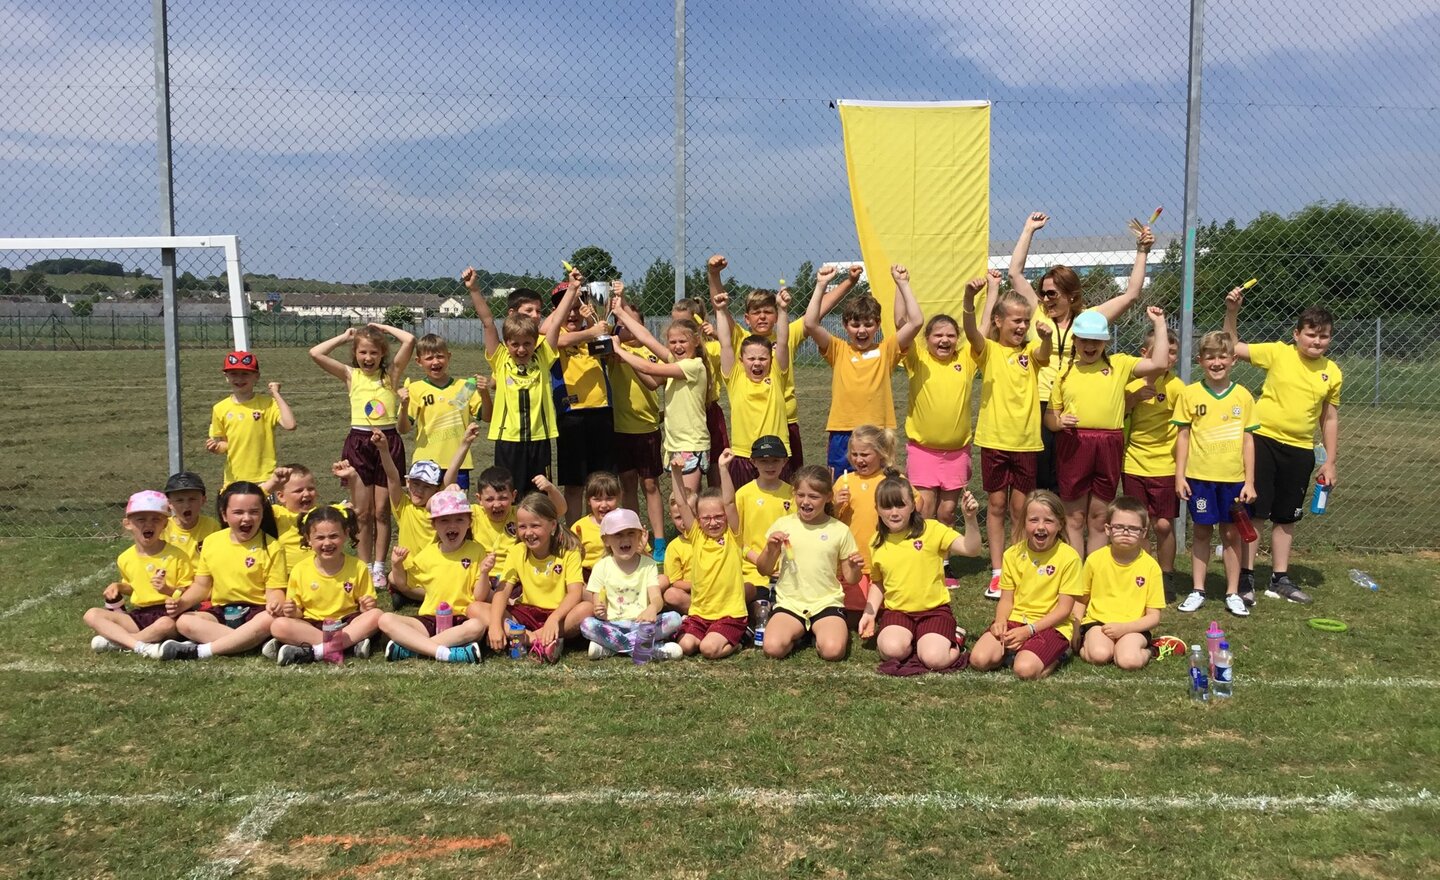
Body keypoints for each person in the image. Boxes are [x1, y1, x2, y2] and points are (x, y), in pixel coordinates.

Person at [1008, 211, 1155, 491]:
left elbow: (1131, 293)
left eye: (1052, 293)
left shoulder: (1089, 319)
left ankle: (1065, 529)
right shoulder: (1037, 312)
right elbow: (1015, 273)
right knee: (1038, 477)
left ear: (1070, 295)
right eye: (1043, 292)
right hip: (1036, 401)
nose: (1045, 298)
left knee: (1066, 479)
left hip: (1074, 403)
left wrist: (1142, 251)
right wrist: (1028, 230)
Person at [1225, 290, 1341, 605]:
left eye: (1324, 337)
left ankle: (1280, 578)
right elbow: (1232, 346)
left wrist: (1329, 461)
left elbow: (1328, 418)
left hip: (1301, 449)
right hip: (1263, 441)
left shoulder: (1333, 372)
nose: (1317, 342)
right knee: (1256, 511)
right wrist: (1232, 312)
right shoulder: (1278, 353)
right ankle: (1246, 577)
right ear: (1296, 334)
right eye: (1311, 335)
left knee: (1286, 517)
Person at [713, 257, 858, 474]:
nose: (762, 316)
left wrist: (849, 282)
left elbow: (815, 313)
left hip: (784, 423)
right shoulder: (741, 340)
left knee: (790, 483)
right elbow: (720, 309)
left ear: (775, 315)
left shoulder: (786, 335)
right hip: (749, 430)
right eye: (756, 312)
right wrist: (714, 275)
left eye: (768, 311)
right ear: (746, 318)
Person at [1045, 306, 1170, 557]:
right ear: (1075, 341)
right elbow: (1050, 416)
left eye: (1096, 341)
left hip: (1108, 444)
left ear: (1106, 342)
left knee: (1099, 516)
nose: (1090, 346)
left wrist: (1160, 324)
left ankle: (1093, 574)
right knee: (1074, 516)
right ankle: (1074, 576)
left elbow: (1159, 362)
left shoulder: (1119, 364)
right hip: (1074, 442)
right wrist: (1058, 423)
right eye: (1084, 340)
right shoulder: (1065, 373)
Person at [308, 323, 416, 588]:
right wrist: (344, 336)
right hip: (359, 443)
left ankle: (380, 566)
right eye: (363, 352)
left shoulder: (391, 374)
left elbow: (410, 339)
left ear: (382, 355)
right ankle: (364, 566)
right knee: (363, 513)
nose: (368, 358)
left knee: (382, 511)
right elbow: (316, 353)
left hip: (388, 442)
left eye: (374, 353)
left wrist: (382, 328)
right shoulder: (350, 375)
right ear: (355, 354)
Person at [964, 276, 1053, 599]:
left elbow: (1044, 352)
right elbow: (972, 330)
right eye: (1017, 320)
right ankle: (998, 571)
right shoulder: (987, 351)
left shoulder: (1031, 350)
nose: (1022, 326)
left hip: (1027, 443)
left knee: (1020, 509)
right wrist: (968, 297)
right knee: (997, 505)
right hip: (995, 442)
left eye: (1026, 321)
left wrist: (1045, 337)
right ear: (999, 321)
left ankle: (1017, 568)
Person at [463, 266, 580, 497]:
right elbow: (488, 322)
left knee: (538, 497)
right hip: (508, 440)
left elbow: (555, 323)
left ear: (535, 342)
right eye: (515, 344)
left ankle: (540, 532)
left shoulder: (543, 356)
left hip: (540, 438)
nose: (521, 349)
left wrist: (573, 288)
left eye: (527, 343)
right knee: (507, 495)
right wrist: (474, 289)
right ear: (506, 344)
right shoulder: (500, 359)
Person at [1174, 330, 1259, 617]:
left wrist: (1249, 481)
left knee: (1230, 534)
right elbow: (1183, 437)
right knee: (1200, 531)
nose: (1217, 362)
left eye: (1222, 356)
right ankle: (1197, 589)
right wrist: (1180, 475)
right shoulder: (1190, 394)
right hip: (1200, 479)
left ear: (1234, 359)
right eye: (1210, 357)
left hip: (1233, 481)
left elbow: (1249, 440)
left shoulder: (1244, 397)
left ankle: (1232, 592)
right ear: (1200, 360)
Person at [804, 264, 919, 476]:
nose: (862, 330)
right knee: (840, 489)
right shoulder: (838, 349)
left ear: (877, 324)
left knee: (881, 488)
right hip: (843, 432)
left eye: (868, 324)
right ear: (845, 325)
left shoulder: (887, 350)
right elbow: (810, 323)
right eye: (856, 325)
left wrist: (902, 284)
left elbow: (916, 322)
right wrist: (821, 285)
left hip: (877, 432)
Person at [859, 478, 982, 671]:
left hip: (934, 611)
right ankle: (918, 638)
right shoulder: (876, 542)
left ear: (913, 505)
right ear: (877, 508)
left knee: (935, 659)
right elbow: (878, 582)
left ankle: (954, 637)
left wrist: (970, 518)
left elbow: (972, 549)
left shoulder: (932, 529)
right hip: (898, 612)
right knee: (891, 651)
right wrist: (870, 612)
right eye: (887, 506)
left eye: (900, 505)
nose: (894, 512)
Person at [160, 481, 287, 660]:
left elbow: (275, 591)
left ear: (262, 514)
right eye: (238, 512)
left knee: (270, 620)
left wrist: (275, 604)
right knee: (184, 621)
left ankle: (201, 650)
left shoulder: (272, 546)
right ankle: (249, 642)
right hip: (221, 612)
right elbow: (201, 586)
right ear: (224, 515)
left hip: (256, 613)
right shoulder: (212, 542)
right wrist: (181, 603)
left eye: (254, 512)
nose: (247, 518)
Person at [897, 267, 982, 526]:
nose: (944, 340)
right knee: (924, 508)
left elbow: (984, 328)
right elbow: (901, 324)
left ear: (958, 339)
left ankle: (943, 563)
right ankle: (924, 559)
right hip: (923, 450)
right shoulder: (917, 358)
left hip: (957, 453)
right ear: (926, 339)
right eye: (938, 335)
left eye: (951, 335)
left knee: (946, 513)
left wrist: (992, 292)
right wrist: (901, 285)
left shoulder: (966, 359)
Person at [968, 490, 1084, 680]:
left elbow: (1064, 610)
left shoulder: (1069, 557)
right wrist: (1000, 621)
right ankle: (1019, 651)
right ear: (1024, 522)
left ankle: (1058, 655)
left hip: (1052, 626)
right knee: (979, 660)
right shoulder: (1012, 554)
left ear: (1060, 524)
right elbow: (1006, 600)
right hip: (1016, 620)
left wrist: (1028, 630)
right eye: (1033, 520)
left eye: (1048, 521)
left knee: (1024, 670)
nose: (1040, 527)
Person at [611, 292, 712, 502]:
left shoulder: (693, 366)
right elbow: (645, 337)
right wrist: (621, 310)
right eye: (672, 342)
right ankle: (686, 534)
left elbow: (649, 367)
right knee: (679, 501)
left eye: (683, 341)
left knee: (686, 501)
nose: (677, 346)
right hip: (675, 444)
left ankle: (694, 534)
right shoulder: (674, 359)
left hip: (691, 444)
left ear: (696, 341)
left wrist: (619, 351)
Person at [754, 466, 861, 662]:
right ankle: (800, 634)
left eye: (813, 496)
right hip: (790, 603)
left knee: (833, 651)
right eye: (800, 495)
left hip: (826, 603)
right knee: (772, 648)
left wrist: (854, 567)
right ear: (794, 494)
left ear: (829, 497)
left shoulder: (840, 530)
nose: (805, 502)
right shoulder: (783, 524)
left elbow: (852, 579)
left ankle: (817, 634)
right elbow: (763, 569)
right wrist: (771, 549)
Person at [378, 489, 490, 663]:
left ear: (469, 522)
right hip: (429, 619)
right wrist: (396, 565)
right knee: (385, 619)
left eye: (459, 519)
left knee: (477, 626)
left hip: (460, 619)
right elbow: (404, 584)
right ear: (434, 525)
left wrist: (484, 573)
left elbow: (480, 597)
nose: (452, 526)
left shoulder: (477, 551)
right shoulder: (427, 555)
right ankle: (447, 653)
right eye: (444, 520)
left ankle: (413, 649)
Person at [84, 490, 191, 658]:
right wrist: (119, 586)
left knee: (164, 625)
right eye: (141, 519)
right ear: (127, 523)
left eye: (156, 519)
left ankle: (121, 643)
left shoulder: (178, 556)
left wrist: (168, 590)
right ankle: (140, 644)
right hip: (139, 615)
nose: (148, 524)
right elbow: (134, 587)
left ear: (165, 524)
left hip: (169, 614)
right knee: (91, 614)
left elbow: (188, 592)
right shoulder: (125, 558)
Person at [271, 506, 383, 665]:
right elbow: (297, 611)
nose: (327, 543)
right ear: (308, 538)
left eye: (334, 536)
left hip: (346, 623)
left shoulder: (358, 567)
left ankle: (315, 651)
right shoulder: (300, 570)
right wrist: (291, 611)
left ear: (346, 534)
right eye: (320, 538)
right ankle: (348, 646)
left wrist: (367, 607)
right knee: (278, 625)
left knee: (377, 615)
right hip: (313, 625)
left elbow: (367, 606)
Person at [712, 271, 792, 486]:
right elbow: (726, 343)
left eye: (762, 359)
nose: (757, 363)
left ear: (771, 360)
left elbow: (783, 343)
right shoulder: (735, 378)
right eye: (752, 358)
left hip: (777, 452)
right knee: (744, 507)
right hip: (744, 454)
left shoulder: (776, 375)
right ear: (741, 360)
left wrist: (783, 310)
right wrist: (720, 311)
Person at [488, 491, 587, 663]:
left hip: (559, 615)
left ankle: (528, 639)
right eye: (522, 526)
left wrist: (554, 619)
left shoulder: (569, 553)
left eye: (535, 526)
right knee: (476, 608)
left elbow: (575, 593)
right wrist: (495, 625)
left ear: (553, 526)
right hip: (525, 613)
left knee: (586, 609)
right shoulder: (516, 551)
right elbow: (502, 591)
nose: (528, 533)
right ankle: (541, 640)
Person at [1122, 323, 1185, 592]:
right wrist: (1134, 399)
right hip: (1133, 462)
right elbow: (1119, 414)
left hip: (1165, 466)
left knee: (1162, 524)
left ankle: (1166, 574)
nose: (1167, 357)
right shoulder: (1132, 383)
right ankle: (1145, 576)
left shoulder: (1178, 387)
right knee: (1141, 522)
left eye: (1172, 352)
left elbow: (1185, 430)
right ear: (1145, 353)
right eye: (1162, 351)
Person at [604, 289, 667, 551]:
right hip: (619, 428)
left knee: (650, 484)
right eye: (620, 323)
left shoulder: (653, 353)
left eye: (630, 322)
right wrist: (611, 299)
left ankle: (660, 539)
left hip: (647, 427)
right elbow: (603, 326)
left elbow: (654, 383)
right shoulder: (612, 351)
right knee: (627, 484)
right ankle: (634, 535)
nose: (624, 327)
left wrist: (628, 358)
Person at [550, 279, 618, 517]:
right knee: (575, 483)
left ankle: (608, 531)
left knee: (604, 481)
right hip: (571, 414)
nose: (571, 313)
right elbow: (555, 337)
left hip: (601, 411)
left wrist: (591, 318)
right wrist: (589, 329)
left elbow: (608, 342)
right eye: (565, 308)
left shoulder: (593, 329)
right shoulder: (551, 336)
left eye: (576, 307)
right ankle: (574, 535)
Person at [670, 450, 747, 659]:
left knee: (708, 649)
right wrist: (676, 474)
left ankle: (738, 640)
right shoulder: (697, 535)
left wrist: (723, 468)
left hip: (729, 613)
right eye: (706, 518)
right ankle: (710, 634)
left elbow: (730, 502)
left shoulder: (733, 535)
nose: (713, 522)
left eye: (718, 516)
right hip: (700, 613)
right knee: (684, 646)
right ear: (699, 519)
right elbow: (682, 504)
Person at [1073, 497, 1165, 670]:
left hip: (1134, 626)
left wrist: (1124, 628)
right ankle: (1093, 645)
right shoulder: (1094, 559)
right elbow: (1080, 599)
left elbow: (1154, 616)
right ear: (1108, 529)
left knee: (1128, 661)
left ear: (1143, 533)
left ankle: (1153, 650)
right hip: (1098, 622)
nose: (1125, 532)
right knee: (1099, 655)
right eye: (1119, 527)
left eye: (1133, 529)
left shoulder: (1151, 567)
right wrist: (1076, 627)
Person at [580, 508, 683, 660]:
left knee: (675, 618)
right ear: (606, 539)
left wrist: (653, 608)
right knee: (587, 624)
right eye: (618, 535)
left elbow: (656, 597)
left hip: (643, 624)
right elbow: (598, 602)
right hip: (613, 625)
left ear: (640, 536)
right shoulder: (601, 567)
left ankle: (611, 648)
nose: (625, 539)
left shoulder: (648, 565)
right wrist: (599, 610)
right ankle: (650, 650)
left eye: (631, 533)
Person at [397, 333, 491, 491]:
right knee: (427, 511)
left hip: (459, 462)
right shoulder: (415, 389)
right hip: (425, 463)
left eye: (440, 356)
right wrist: (404, 406)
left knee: (455, 509)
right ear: (419, 361)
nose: (435, 362)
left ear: (449, 357)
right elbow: (403, 429)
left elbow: (487, 417)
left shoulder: (464, 388)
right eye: (429, 358)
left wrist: (485, 394)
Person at [833, 426, 903, 622]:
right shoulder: (843, 481)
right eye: (854, 454)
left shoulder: (891, 480)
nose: (858, 459)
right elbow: (831, 519)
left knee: (889, 608)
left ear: (881, 454)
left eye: (865, 454)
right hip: (854, 559)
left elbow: (916, 503)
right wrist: (835, 503)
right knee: (854, 612)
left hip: (886, 556)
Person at [206, 350, 296, 488]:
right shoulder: (219, 408)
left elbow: (290, 425)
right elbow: (225, 444)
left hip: (265, 478)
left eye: (245, 374)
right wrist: (216, 447)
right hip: (234, 479)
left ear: (256, 377)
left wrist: (275, 394)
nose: (239, 379)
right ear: (226, 376)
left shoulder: (268, 404)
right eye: (233, 374)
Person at [670, 297, 727, 487]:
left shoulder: (713, 347)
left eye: (685, 322)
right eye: (675, 322)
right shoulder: (677, 351)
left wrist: (717, 334)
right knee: (691, 474)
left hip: (709, 411)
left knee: (715, 467)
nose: (679, 327)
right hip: (686, 414)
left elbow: (736, 349)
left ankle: (716, 505)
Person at [733, 434, 794, 605]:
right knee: (759, 605)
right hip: (752, 570)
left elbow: (795, 536)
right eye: (763, 461)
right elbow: (736, 540)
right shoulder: (743, 495)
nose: (770, 466)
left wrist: (782, 563)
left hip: (786, 568)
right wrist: (758, 560)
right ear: (753, 462)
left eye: (775, 460)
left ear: (785, 461)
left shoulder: (792, 494)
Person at [571, 470, 622, 581]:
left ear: (618, 498)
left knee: (661, 580)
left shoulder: (626, 523)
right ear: (589, 501)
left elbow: (645, 557)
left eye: (609, 498)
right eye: (597, 499)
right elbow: (570, 559)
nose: (603, 505)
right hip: (588, 576)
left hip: (620, 573)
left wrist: (641, 550)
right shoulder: (579, 527)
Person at [160, 471, 221, 563]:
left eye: (192, 499)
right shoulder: (163, 528)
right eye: (180, 500)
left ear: (203, 500)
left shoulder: (212, 527)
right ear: (169, 503)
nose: (187, 505)